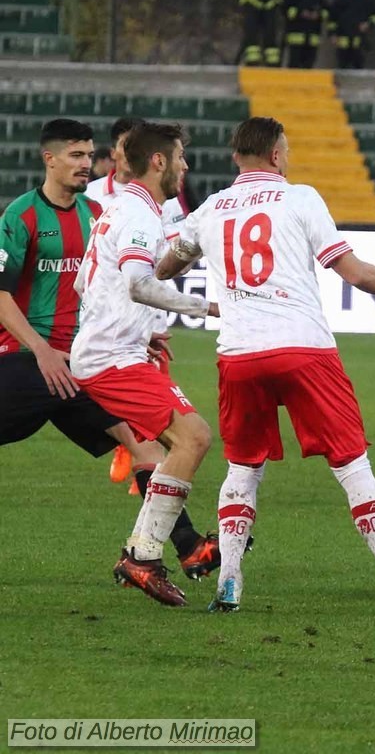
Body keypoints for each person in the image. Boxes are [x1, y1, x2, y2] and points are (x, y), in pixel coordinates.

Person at [155, 117, 375, 617]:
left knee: (243, 468)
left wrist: (188, 252)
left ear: (236, 157)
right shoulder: (301, 198)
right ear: (277, 156)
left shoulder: (211, 208)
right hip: (304, 349)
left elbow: (165, 265)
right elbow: (350, 270)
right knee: (352, 465)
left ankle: (229, 582)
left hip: (239, 355)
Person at [0, 119, 219, 583]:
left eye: (89, 155)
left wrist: (140, 331)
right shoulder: (21, 216)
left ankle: (174, 551)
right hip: (28, 359)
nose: (88, 164)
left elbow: (94, 284)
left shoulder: (97, 212)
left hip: (81, 362)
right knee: (175, 437)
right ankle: (159, 553)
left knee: (146, 443)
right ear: (50, 159)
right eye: (77, 156)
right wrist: (39, 350)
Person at [71, 122, 219, 607]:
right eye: (179, 157)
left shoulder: (119, 208)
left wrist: (142, 328)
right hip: (112, 360)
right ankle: (143, 555)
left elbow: (87, 286)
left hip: (117, 351)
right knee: (193, 436)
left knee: (179, 442)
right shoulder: (139, 215)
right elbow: (137, 281)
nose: (185, 166)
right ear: (158, 161)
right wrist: (204, 308)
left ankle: (145, 553)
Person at [328, 0, 375, 70]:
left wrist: (368, 24)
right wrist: (332, 34)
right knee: (342, 67)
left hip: (358, 40)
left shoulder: (365, 0)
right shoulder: (339, 0)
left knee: (358, 66)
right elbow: (332, 19)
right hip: (342, 40)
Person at [283, 0, 328, 69]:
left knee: (309, 64)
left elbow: (327, 11)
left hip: (312, 37)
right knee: (294, 64)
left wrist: (318, 15)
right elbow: (285, 10)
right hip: (296, 36)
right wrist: (300, 13)